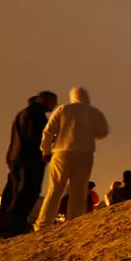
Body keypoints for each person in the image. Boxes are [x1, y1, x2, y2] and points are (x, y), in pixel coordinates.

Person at [35, 87, 110, 230]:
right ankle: (73, 223)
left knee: (55, 189)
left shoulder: (63, 109)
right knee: (79, 191)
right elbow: (103, 132)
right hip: (84, 154)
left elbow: (48, 131)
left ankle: (43, 223)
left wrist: (45, 150)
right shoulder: (94, 112)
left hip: (61, 153)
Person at [0, 91, 58, 238]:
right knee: (27, 192)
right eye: (53, 101)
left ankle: (5, 223)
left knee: (15, 191)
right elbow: (36, 138)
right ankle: (13, 225)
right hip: (29, 160)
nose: (55, 105)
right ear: (44, 100)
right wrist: (53, 142)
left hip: (15, 158)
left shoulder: (23, 114)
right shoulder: (36, 116)